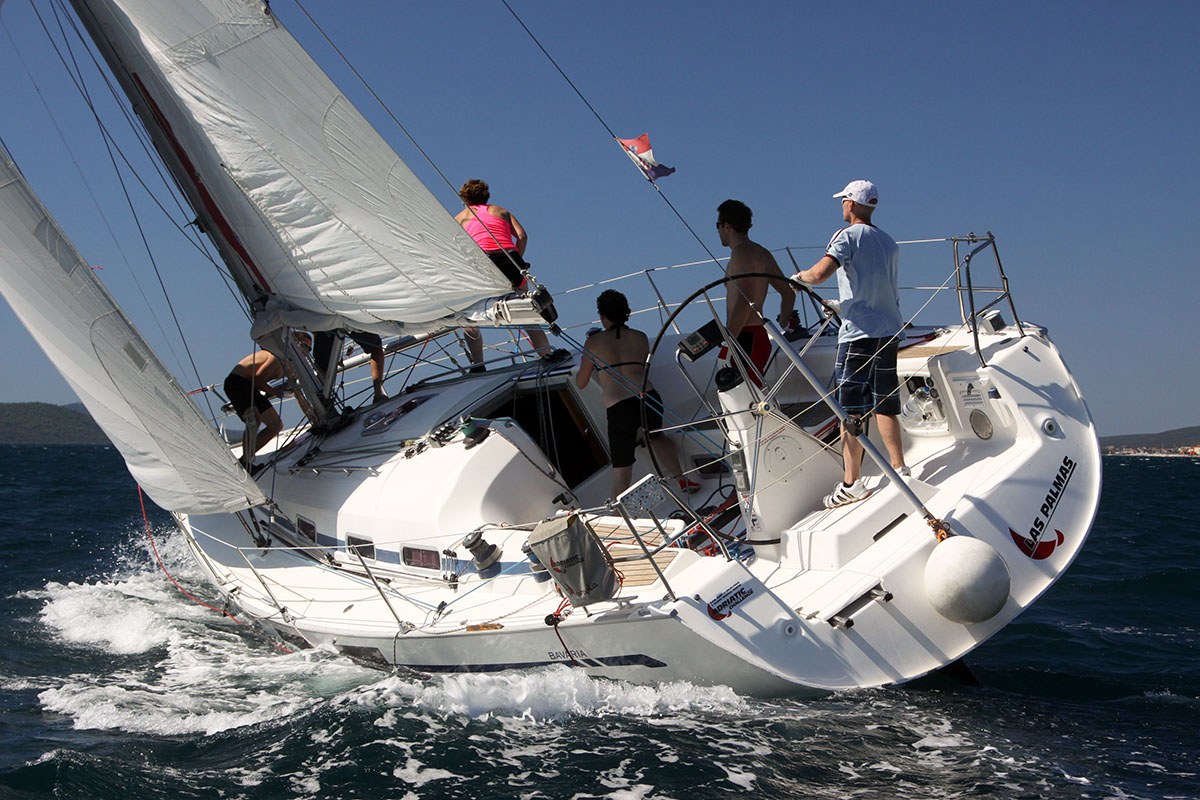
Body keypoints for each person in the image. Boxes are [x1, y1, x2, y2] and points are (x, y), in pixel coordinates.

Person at [792, 180, 907, 508]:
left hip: (858, 334)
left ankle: (852, 483)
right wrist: (843, 303)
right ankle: (901, 469)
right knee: (885, 401)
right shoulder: (888, 242)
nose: (841, 205)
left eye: (843, 200)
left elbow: (819, 273)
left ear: (852, 204)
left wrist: (797, 279)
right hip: (888, 330)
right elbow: (877, 287)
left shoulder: (846, 236)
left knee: (850, 410)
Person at [575, 290, 700, 498]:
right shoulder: (640, 337)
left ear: (603, 316)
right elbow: (641, 367)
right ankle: (682, 479)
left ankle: (619, 514)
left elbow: (581, 382)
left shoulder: (593, 343)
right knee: (656, 437)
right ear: (625, 313)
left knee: (622, 464)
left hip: (619, 407)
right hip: (647, 397)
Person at [454, 179, 551, 365]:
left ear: (464, 198)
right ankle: (546, 354)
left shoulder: (461, 218)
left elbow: (457, 248)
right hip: (511, 260)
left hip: (485, 262)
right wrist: (518, 260)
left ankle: (478, 364)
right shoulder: (501, 211)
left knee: (468, 314)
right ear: (486, 195)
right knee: (526, 308)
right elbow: (522, 236)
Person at [715, 199, 795, 385]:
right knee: (750, 398)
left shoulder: (741, 253)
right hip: (757, 337)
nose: (717, 231)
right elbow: (788, 293)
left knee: (743, 401)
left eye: (717, 225)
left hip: (745, 338)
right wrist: (784, 322)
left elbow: (745, 301)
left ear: (727, 226)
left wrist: (728, 343)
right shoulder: (762, 252)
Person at [223, 347, 286, 459]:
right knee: (253, 420)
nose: (305, 352)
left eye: (309, 349)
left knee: (275, 425)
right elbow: (257, 380)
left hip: (251, 387)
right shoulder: (275, 357)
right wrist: (275, 392)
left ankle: (245, 459)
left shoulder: (290, 364)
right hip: (237, 382)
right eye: (304, 347)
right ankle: (246, 462)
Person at [313, 330, 388, 404]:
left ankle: (321, 401)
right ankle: (378, 394)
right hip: (344, 323)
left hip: (324, 327)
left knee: (323, 366)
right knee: (375, 347)